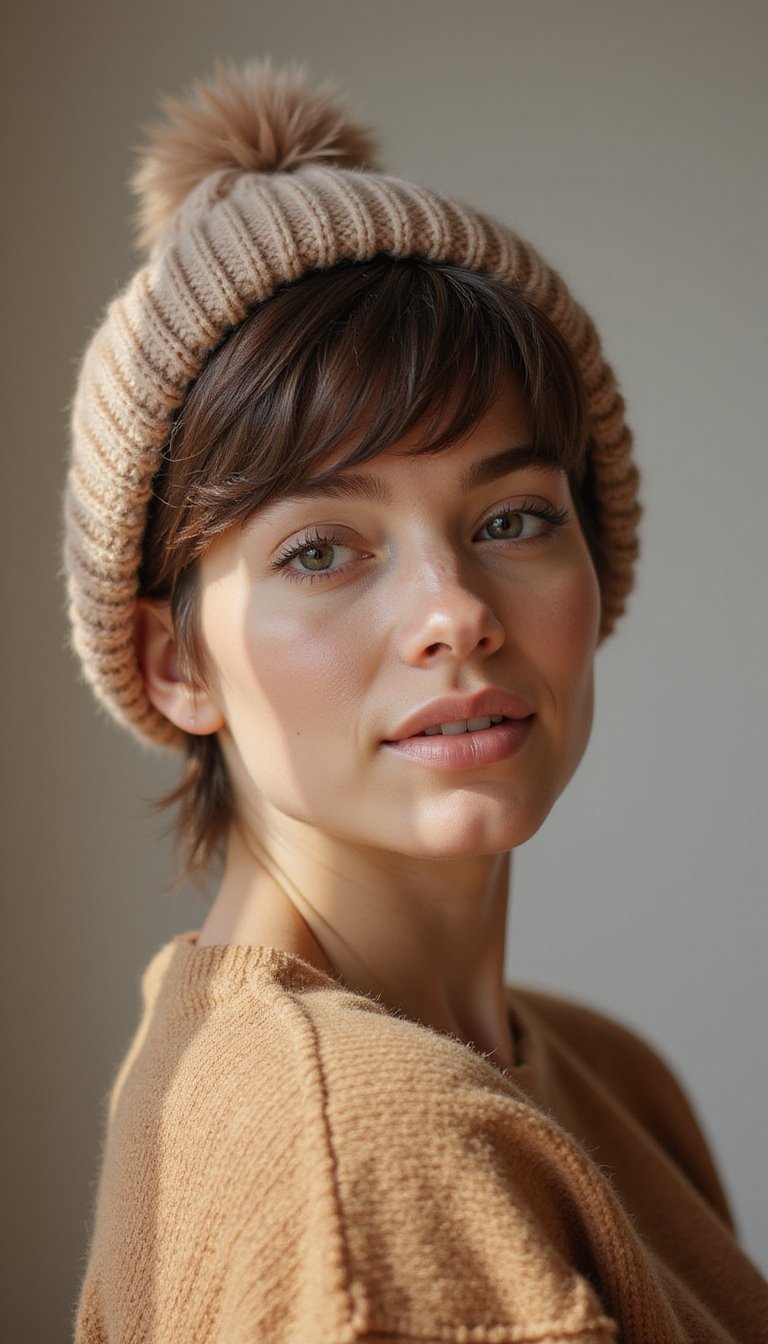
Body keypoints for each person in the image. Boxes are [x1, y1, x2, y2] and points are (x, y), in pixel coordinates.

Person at [65, 58, 768, 1343]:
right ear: (176, 661)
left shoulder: (606, 1077)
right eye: (321, 549)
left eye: (511, 518)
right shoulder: (363, 1151)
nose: (455, 610)